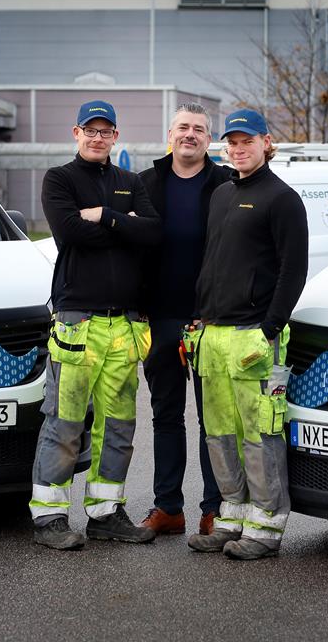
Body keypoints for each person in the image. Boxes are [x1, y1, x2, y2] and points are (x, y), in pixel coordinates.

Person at [29, 99, 162, 551]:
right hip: (77, 322)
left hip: (124, 325)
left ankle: (106, 513)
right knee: (64, 422)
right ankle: (49, 517)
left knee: (119, 425)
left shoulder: (129, 182)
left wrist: (105, 216)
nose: (98, 137)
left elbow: (153, 235)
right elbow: (69, 233)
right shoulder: (60, 179)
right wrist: (125, 227)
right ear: (76, 132)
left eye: (106, 131)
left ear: (116, 137)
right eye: (91, 129)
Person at [187, 109, 309, 560]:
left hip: (255, 336)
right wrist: (199, 318)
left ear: (266, 143)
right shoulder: (221, 194)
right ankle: (231, 518)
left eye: (247, 141)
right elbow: (213, 263)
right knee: (218, 433)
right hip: (214, 336)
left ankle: (266, 528)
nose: (238, 149)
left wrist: (270, 328)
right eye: (232, 143)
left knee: (260, 435)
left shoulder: (282, 198)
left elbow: (293, 271)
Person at [137, 103, 232, 537]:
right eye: (183, 127)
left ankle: (213, 508)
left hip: (210, 321)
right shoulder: (145, 184)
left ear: (208, 140)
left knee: (213, 418)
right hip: (160, 319)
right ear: (169, 135)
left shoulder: (226, 185)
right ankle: (168, 509)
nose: (190, 134)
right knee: (166, 417)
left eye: (198, 129)